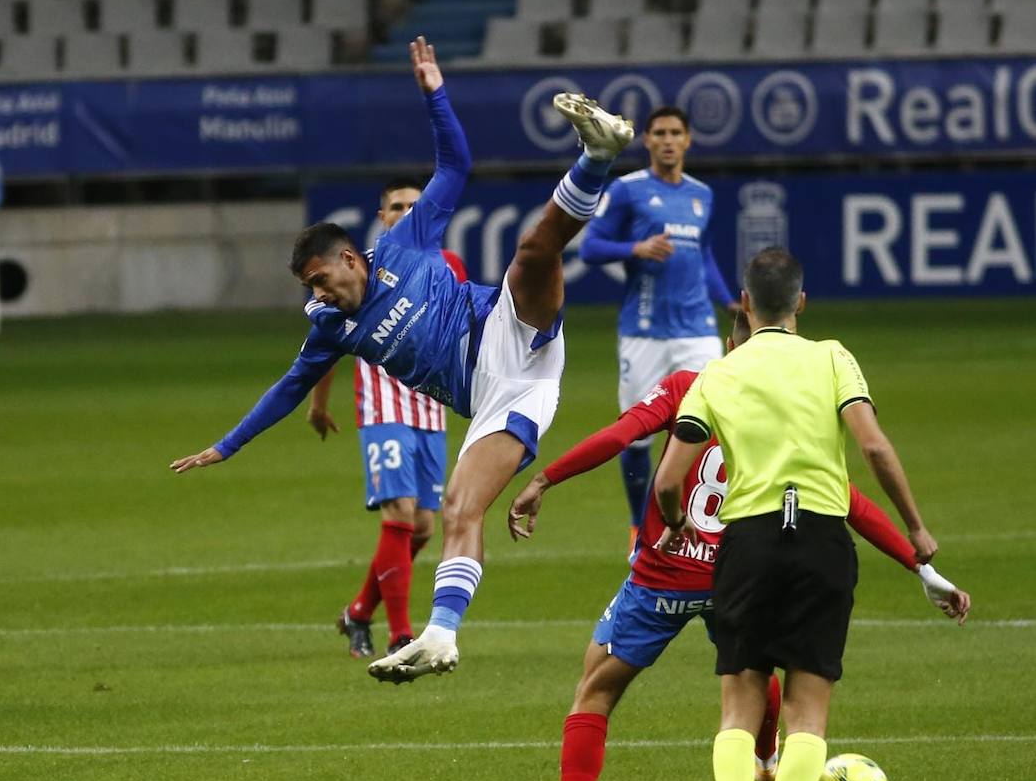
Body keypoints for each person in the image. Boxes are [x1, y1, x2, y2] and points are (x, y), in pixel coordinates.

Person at [171, 36, 635, 683]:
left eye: (319, 277)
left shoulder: (403, 241)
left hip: (507, 328)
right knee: (457, 509)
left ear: (350, 259)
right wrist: (229, 444)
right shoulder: (331, 327)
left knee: (533, 253)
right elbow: (289, 387)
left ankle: (596, 157)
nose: (318, 292)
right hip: (505, 396)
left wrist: (434, 94)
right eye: (310, 286)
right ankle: (442, 636)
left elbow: (455, 164)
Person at [507, 310, 970, 781]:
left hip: (664, 576)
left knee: (595, 692)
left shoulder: (694, 386)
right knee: (755, 666)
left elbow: (621, 436)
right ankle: (770, 755)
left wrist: (544, 478)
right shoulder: (788, 411)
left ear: (731, 341)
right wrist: (919, 566)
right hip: (735, 575)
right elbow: (850, 501)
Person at [650, 248, 970, 781]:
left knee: (739, 708)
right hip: (822, 539)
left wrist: (676, 521)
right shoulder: (832, 356)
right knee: (807, 713)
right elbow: (874, 446)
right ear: (801, 303)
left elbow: (667, 480)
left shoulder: (720, 372)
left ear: (745, 303)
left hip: (749, 543)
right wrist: (916, 531)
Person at [307, 178, 468, 659]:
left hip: (431, 404)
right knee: (398, 514)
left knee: (421, 528)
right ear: (382, 217)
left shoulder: (450, 265)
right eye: (395, 206)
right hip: (384, 406)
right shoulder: (369, 268)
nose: (403, 212)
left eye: (413, 205)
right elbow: (326, 345)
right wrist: (318, 404)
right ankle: (401, 634)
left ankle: (358, 612)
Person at [579, 106, 737, 547]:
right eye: (659, 133)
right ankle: (637, 525)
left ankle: (704, 520)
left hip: (698, 331)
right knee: (636, 433)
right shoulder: (628, 191)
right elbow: (590, 248)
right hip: (643, 331)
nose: (668, 140)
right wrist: (636, 247)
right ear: (646, 140)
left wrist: (727, 302)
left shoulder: (702, 195)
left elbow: (703, 254)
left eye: (676, 133)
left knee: (710, 426)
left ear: (688, 141)